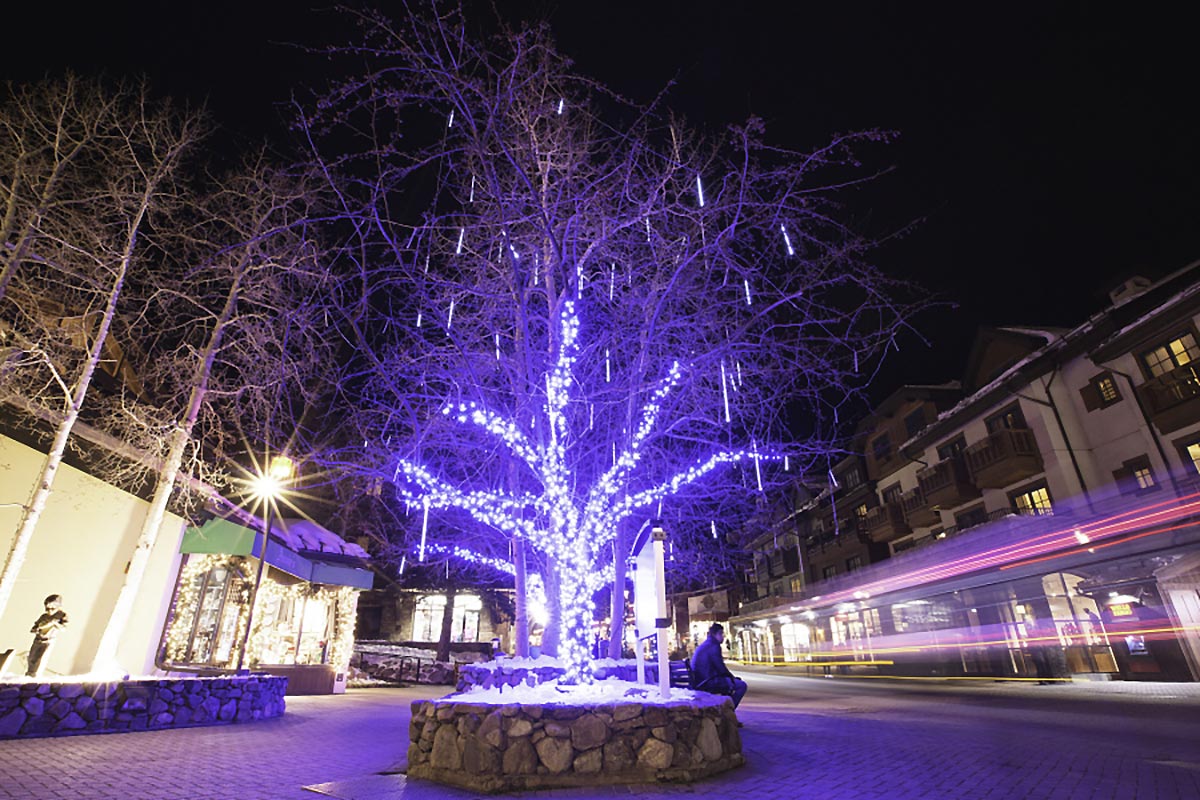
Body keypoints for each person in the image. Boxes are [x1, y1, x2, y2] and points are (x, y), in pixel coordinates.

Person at [691, 623, 747, 710]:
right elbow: (720, 667)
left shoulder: (705, 645)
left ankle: (725, 709)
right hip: (708, 681)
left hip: (701, 679)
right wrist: (732, 678)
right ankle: (729, 710)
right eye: (721, 634)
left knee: (730, 684)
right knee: (742, 686)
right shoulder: (714, 645)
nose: (723, 637)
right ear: (715, 634)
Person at [27, 594, 68, 678]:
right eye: (47, 608)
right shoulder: (44, 616)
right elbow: (34, 627)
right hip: (38, 639)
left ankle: (35, 675)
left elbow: (64, 628)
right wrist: (36, 629)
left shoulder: (61, 615)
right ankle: (29, 674)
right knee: (32, 658)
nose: (49, 611)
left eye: (52, 608)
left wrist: (55, 623)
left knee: (40, 659)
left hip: (48, 640)